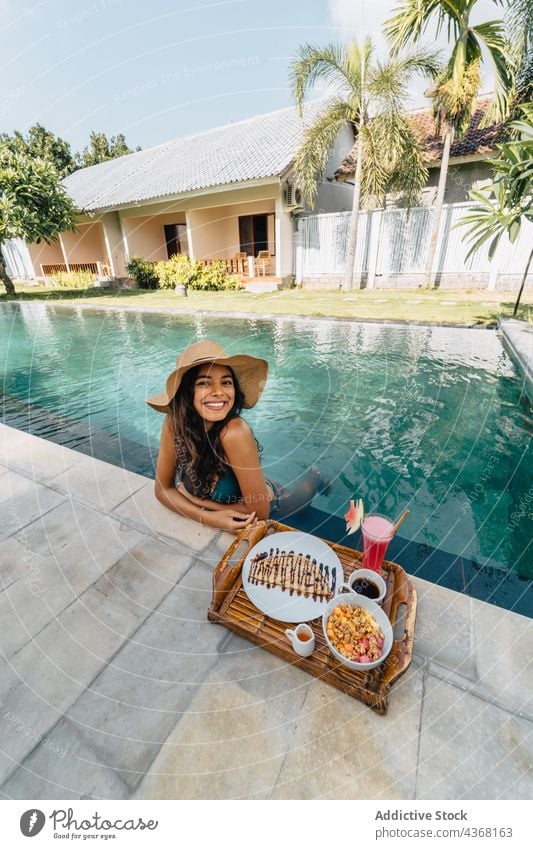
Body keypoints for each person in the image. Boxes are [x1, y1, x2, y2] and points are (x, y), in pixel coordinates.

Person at [147, 339, 327, 533]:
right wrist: (209, 517)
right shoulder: (174, 424)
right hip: (248, 488)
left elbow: (260, 512)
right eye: (204, 383)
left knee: (302, 499)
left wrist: (193, 500)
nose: (218, 392)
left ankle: (316, 475)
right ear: (187, 392)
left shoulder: (234, 432)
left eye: (226, 382)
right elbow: (162, 490)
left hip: (273, 503)